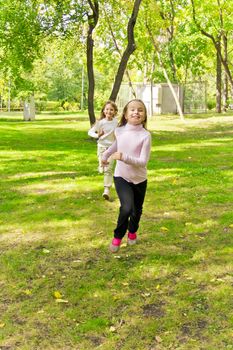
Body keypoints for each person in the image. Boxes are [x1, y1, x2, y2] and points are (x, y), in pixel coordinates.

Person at [101, 99, 151, 252]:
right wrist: (106, 155)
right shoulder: (120, 130)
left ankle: (133, 231)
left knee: (137, 210)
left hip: (139, 179)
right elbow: (117, 145)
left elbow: (143, 161)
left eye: (140, 110)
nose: (136, 112)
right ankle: (117, 237)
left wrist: (124, 157)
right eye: (133, 109)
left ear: (144, 115)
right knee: (126, 208)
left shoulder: (145, 136)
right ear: (125, 114)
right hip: (121, 176)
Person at [88, 100, 118, 200]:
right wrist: (97, 135)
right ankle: (100, 164)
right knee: (103, 166)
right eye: (107, 109)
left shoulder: (116, 122)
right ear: (104, 111)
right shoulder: (100, 123)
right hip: (101, 147)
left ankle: (106, 190)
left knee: (108, 169)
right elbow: (90, 132)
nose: (109, 111)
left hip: (112, 148)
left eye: (111, 110)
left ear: (115, 111)